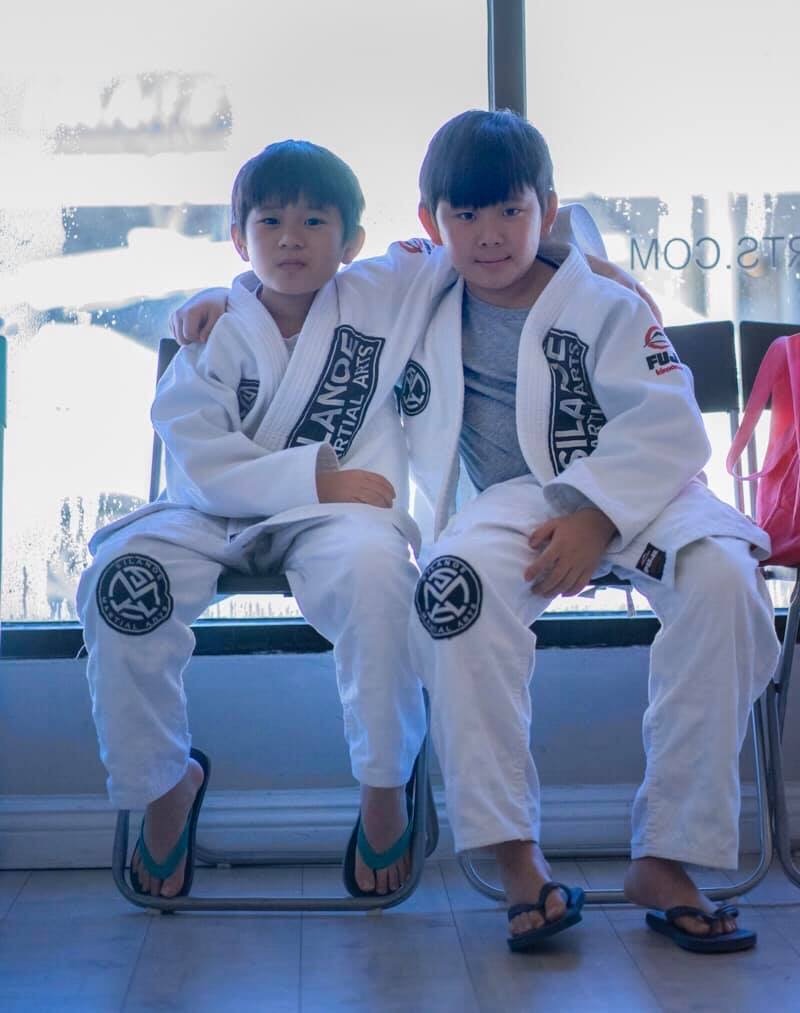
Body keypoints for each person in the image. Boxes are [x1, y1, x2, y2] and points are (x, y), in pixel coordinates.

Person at [393, 109, 779, 953]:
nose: (489, 235)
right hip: (512, 500)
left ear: (548, 208)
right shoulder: (416, 287)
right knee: (452, 589)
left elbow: (673, 423)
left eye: (510, 212)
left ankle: (670, 855)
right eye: (466, 215)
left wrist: (596, 516)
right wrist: (216, 299)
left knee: (724, 580)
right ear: (433, 221)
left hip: (645, 488)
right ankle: (516, 857)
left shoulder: (603, 301)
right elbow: (305, 281)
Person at [77, 139, 457, 900]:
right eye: (271, 220)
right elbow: (193, 448)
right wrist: (318, 474)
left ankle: (384, 785)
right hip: (215, 514)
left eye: (316, 221)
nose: (291, 237)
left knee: (384, 577)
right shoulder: (215, 330)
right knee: (121, 584)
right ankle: (164, 785)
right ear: (238, 239)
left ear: (351, 240)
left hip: (338, 521)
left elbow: (501, 229)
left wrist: (594, 268)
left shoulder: (387, 289)